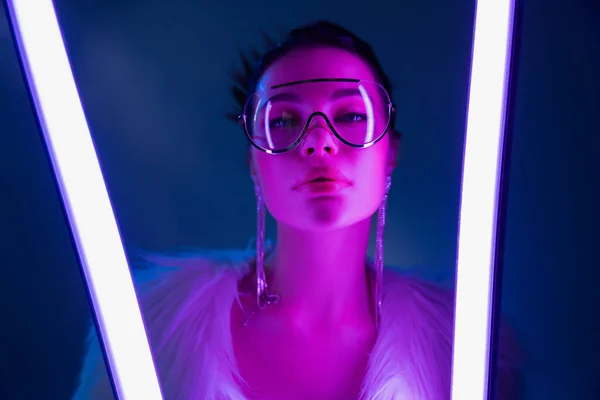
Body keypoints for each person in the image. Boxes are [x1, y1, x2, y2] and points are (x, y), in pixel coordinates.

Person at [73, 20, 520, 400]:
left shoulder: (464, 351)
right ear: (254, 162)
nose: (318, 140)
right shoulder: (152, 333)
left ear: (390, 151)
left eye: (350, 115)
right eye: (283, 120)